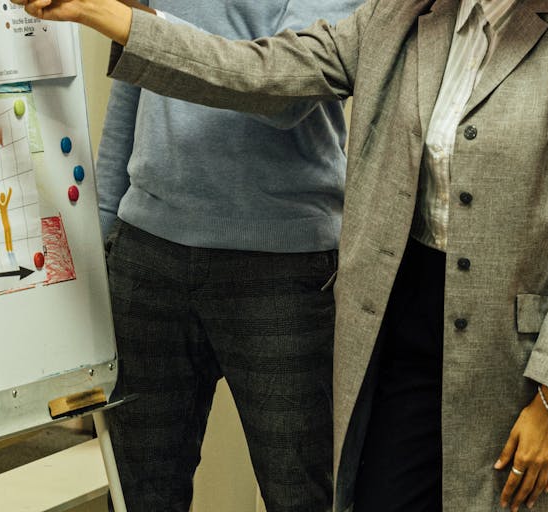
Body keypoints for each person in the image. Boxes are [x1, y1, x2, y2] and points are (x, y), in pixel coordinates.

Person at [14, 0, 548, 510]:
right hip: (399, 339)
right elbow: (260, 72)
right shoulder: (401, 18)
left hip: (511, 364)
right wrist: (111, 15)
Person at [94, 1, 362, 511]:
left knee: (302, 497)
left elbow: (281, 89)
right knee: (136, 497)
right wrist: (102, 235)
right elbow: (135, 76)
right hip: (148, 252)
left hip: (282, 269)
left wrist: (123, 21)